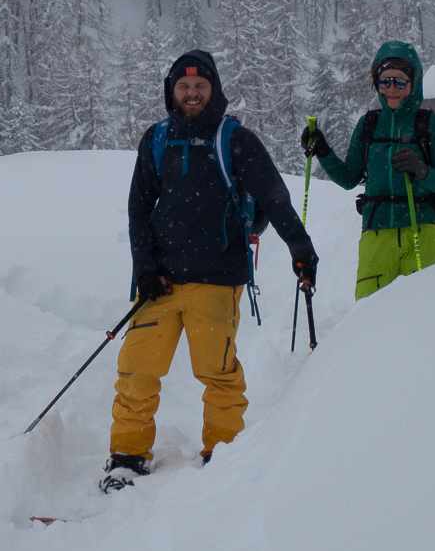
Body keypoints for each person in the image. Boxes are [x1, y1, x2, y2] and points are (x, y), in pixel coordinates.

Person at [104, 50, 318, 492]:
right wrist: (144, 268)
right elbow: (138, 209)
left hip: (218, 278)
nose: (192, 93)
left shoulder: (235, 138)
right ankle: (127, 456)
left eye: (200, 86)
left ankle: (222, 453)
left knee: (217, 373)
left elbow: (274, 196)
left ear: (214, 89)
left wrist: (300, 246)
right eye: (183, 86)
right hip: (159, 282)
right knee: (136, 371)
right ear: (172, 91)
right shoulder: (156, 138)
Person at [301, 41, 435, 301]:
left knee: (429, 312)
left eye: (400, 82)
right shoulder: (369, 125)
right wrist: (323, 151)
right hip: (377, 233)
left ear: (414, 83)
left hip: (425, 229)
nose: (391, 90)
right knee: (368, 314)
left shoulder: (430, 124)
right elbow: (349, 177)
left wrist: (422, 171)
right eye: (384, 82)